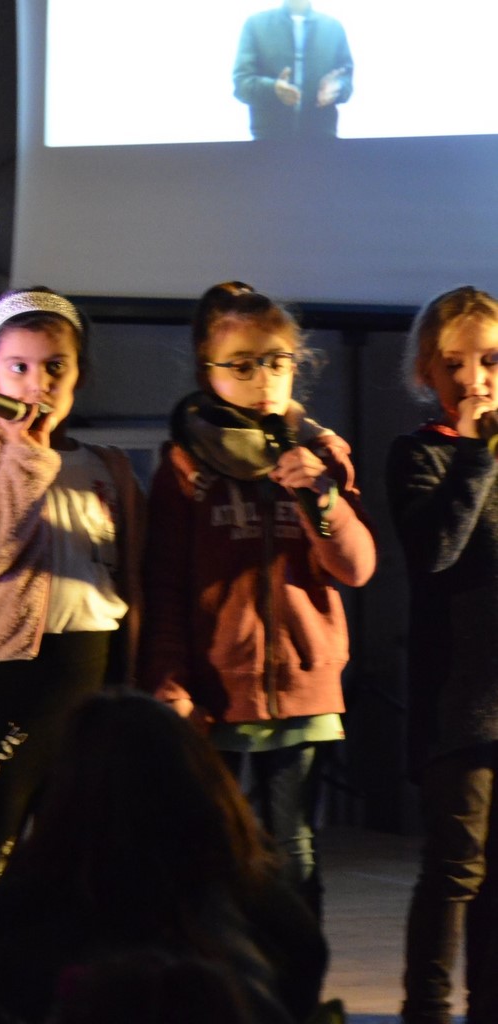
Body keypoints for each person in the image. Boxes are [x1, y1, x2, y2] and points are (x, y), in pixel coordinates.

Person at [0, 688, 329, 1024]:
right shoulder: (250, 902)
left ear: (67, 790)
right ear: (202, 786)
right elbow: (306, 966)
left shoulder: (23, 910)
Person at [139, 281, 376, 920]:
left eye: (276, 361)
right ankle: (229, 974)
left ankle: (295, 975)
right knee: (217, 853)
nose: (263, 379)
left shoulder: (321, 454)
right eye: (241, 365)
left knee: (293, 853)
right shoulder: (186, 467)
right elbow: (164, 586)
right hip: (216, 698)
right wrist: (169, 681)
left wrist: (321, 499)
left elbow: (356, 568)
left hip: (303, 690)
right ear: (207, 372)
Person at [0, 287, 145, 916]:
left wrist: (140, 678)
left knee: (80, 866)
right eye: (18, 366)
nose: (37, 383)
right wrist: (25, 454)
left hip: (91, 675)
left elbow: (132, 581)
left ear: (79, 374)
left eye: (55, 366)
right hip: (2, 680)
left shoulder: (108, 466)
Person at [386, 285, 498, 1024]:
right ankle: (425, 1011)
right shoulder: (420, 453)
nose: (473, 378)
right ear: (427, 371)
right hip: (459, 706)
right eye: (453, 363)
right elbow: (434, 552)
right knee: (456, 871)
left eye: (489, 360)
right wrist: (475, 453)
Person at [233, 1, 353, 140]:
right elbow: (241, 84)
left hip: (322, 141)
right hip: (268, 142)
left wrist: (337, 88)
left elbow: (346, 82)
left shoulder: (333, 28)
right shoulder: (256, 25)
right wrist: (273, 89)